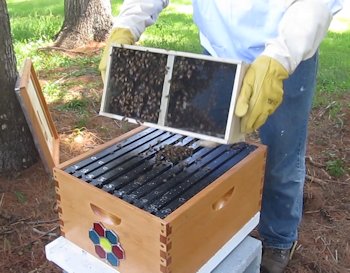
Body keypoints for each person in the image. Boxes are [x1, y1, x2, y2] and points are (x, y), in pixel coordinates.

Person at [99, 1, 343, 272]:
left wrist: (279, 59)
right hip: (218, 50)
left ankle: (278, 238)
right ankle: (224, 223)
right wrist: (126, 26)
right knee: (213, 149)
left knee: (281, 156)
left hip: (286, 49)